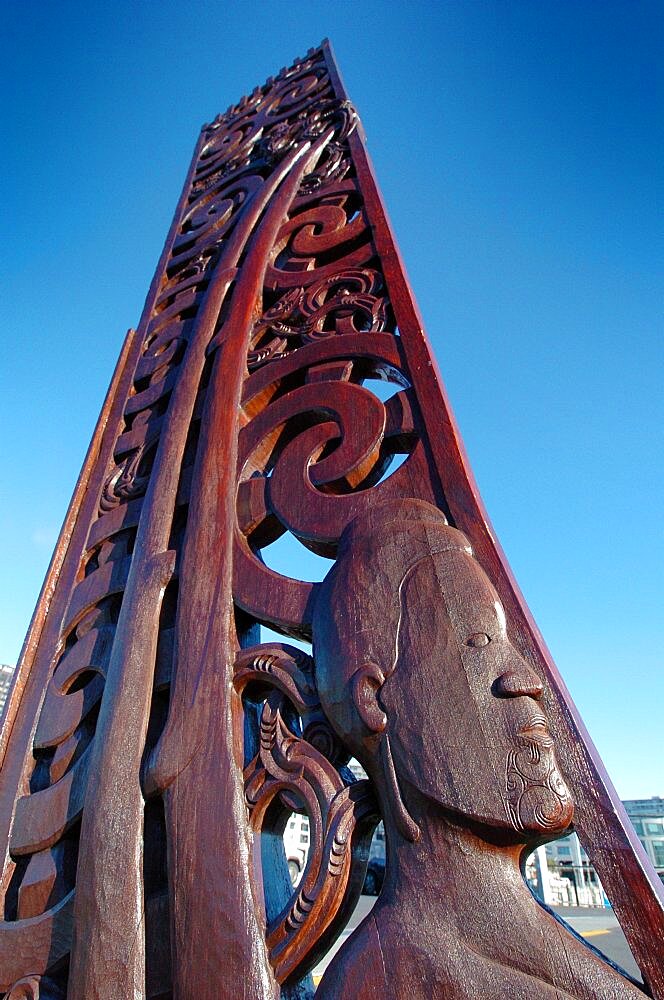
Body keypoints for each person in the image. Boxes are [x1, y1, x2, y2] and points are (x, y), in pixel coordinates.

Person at [313, 499, 645, 999]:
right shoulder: (388, 979)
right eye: (477, 641)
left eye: (510, 646)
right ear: (374, 700)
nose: (527, 680)